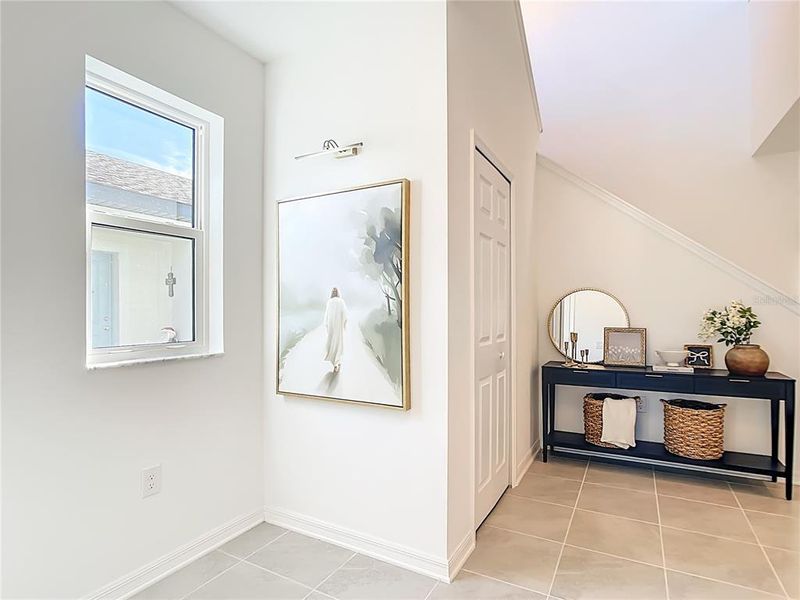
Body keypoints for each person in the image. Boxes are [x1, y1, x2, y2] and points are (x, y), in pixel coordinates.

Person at [324, 287, 348, 372]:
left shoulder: (329, 302)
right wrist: (344, 324)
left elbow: (326, 315)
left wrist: (326, 325)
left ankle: (335, 363)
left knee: (332, 343)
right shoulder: (341, 301)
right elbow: (345, 314)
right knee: (338, 343)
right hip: (338, 327)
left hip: (331, 326)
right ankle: (337, 362)